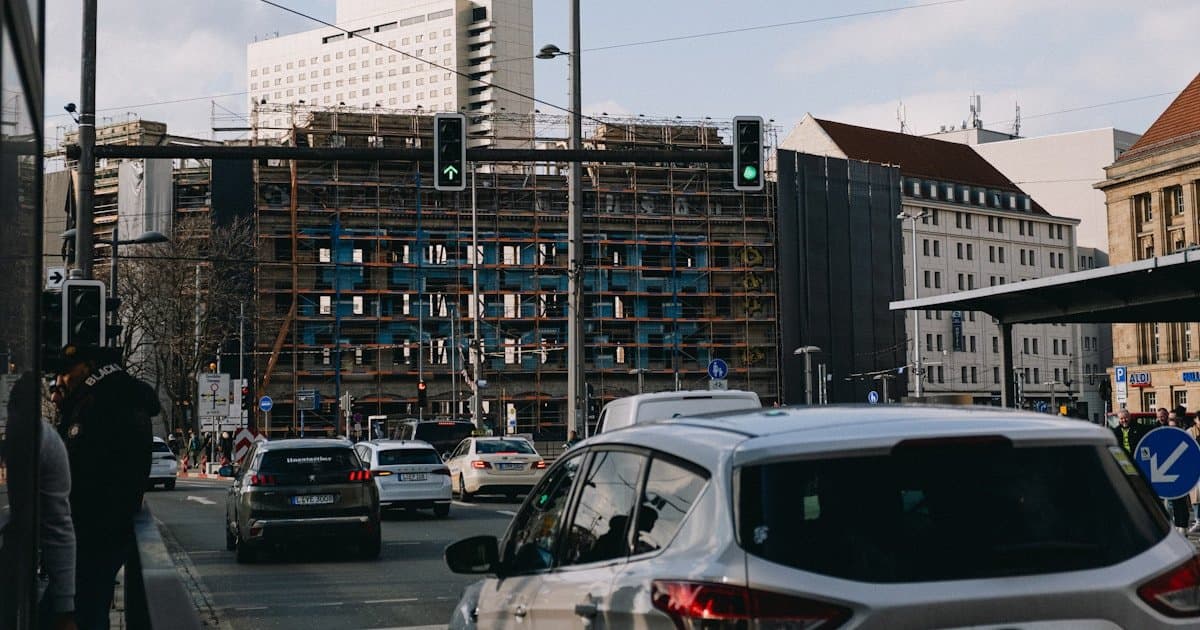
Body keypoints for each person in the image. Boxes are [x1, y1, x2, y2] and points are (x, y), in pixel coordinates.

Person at [54, 345, 157, 630]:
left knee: (78, 610)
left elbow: (76, 470)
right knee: (92, 607)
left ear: (87, 367)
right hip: (113, 526)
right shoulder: (124, 394)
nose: (62, 380)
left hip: (92, 529)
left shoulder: (96, 404)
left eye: (65, 372)